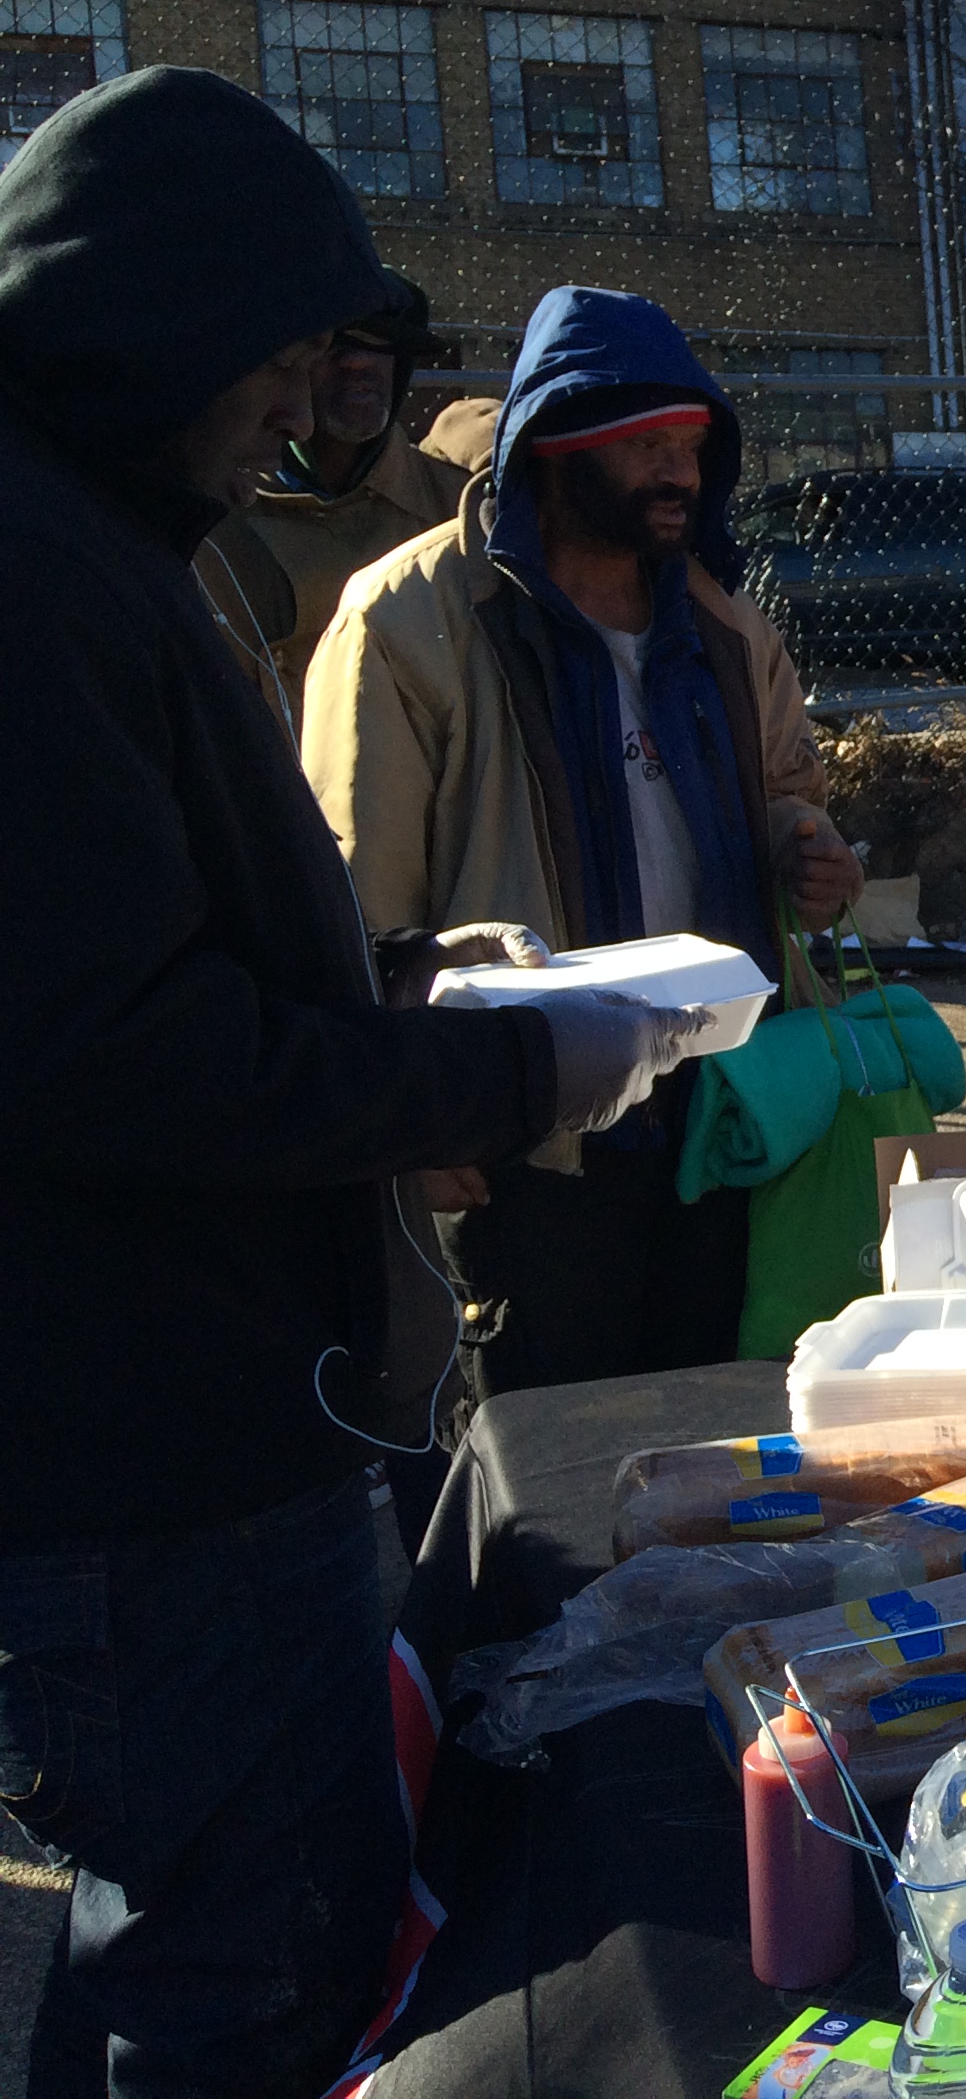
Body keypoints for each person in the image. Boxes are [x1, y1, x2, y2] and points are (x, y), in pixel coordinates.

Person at [0, 69, 701, 2097]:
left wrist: (395, 981)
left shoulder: (104, 545)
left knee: (203, 1946)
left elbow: (140, 953)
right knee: (244, 1972)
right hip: (154, 1467)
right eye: (282, 355)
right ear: (156, 318)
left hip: (199, 1434)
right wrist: (495, 1067)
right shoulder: (38, 578)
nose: (307, 405)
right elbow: (120, 1058)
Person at [300, 284, 868, 1401]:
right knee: (549, 1455)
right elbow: (355, 897)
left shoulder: (725, 625)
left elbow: (790, 797)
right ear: (556, 449)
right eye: (646, 446)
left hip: (723, 1120)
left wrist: (810, 854)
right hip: (525, 1140)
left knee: (716, 1438)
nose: (678, 474)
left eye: (691, 447)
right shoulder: (408, 619)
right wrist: (414, 1119)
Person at [190, 269, 471, 721]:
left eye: (383, 346)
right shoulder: (207, 518)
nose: (358, 363)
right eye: (333, 345)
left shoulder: (456, 511)